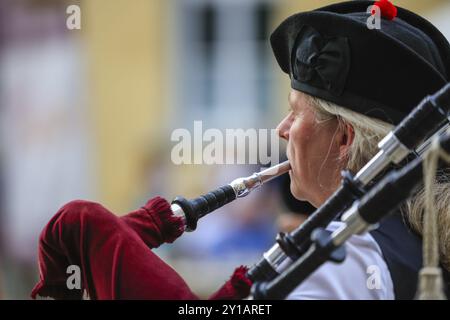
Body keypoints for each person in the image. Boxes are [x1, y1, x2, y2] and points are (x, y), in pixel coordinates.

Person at [31, 1, 450, 300]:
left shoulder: (348, 265)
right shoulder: (391, 243)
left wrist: (98, 236)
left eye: (296, 114)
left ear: (344, 140)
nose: (282, 130)